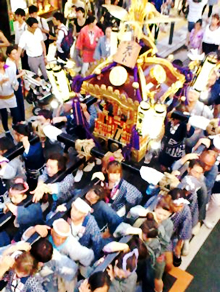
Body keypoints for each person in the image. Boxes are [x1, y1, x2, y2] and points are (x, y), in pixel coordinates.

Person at [3, 177, 44, 241]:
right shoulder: (17, 203)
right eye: (11, 197)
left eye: (15, 197)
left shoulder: (34, 205)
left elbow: (25, 214)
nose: (12, 200)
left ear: (24, 196)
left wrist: (10, 205)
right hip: (22, 231)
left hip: (33, 232)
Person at [13, 123, 45, 190]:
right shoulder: (34, 140)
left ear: (21, 136)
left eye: (15, 135)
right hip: (32, 172)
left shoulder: (33, 151)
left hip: (36, 175)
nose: (14, 137)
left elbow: (30, 155)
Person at [0, 53, 20, 137]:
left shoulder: (8, 68)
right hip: (1, 98)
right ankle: (7, 131)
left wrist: (15, 84)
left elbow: (13, 78)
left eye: (3, 62)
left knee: (16, 113)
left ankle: (16, 126)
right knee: (4, 116)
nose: (2, 64)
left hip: (11, 95)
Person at [6, 45, 25, 121]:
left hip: (13, 84)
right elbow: (11, 78)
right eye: (13, 54)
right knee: (19, 102)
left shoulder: (9, 62)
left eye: (16, 53)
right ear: (9, 54)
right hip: (14, 85)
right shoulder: (10, 65)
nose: (16, 55)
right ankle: (20, 120)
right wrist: (21, 74)